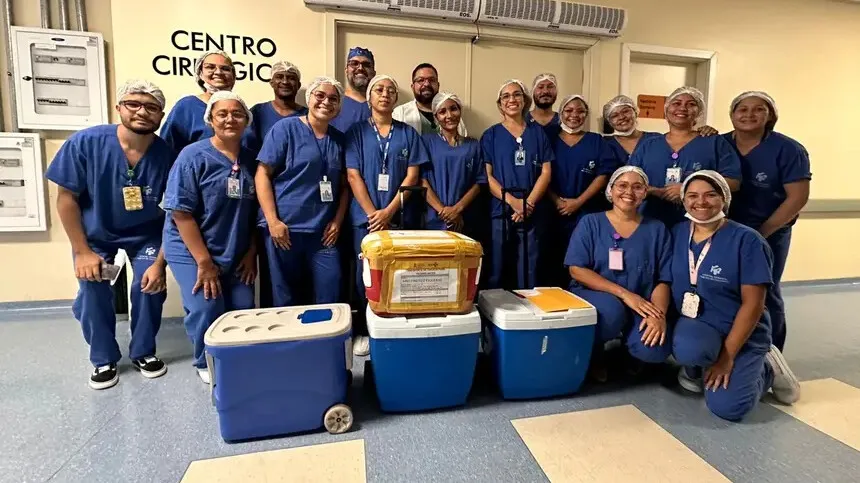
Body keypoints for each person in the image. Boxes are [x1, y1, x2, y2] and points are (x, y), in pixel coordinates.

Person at [45, 80, 173, 390]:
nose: (142, 111)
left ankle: (143, 351)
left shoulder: (167, 155)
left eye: (151, 107)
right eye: (133, 104)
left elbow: (174, 211)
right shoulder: (86, 143)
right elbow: (66, 199)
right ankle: (103, 358)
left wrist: (160, 262)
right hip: (96, 234)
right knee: (93, 288)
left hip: (146, 234)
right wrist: (82, 251)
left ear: (161, 115)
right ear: (119, 108)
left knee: (149, 284)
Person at [670, 170, 800, 421]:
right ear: (684, 200)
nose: (701, 202)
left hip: (741, 329)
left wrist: (727, 358)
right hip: (699, 323)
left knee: (729, 408)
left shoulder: (748, 241)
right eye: (692, 195)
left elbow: (754, 304)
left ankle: (767, 367)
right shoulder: (677, 234)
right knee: (689, 348)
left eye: (710, 195)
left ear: (724, 199)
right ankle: (697, 367)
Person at [162, 91, 258, 384]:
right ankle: (206, 360)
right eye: (222, 114)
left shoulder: (251, 160)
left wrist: (250, 253)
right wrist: (204, 262)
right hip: (189, 247)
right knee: (207, 305)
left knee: (243, 307)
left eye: (237, 114)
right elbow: (181, 213)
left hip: (233, 244)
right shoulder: (192, 156)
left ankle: (235, 356)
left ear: (246, 121)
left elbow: (256, 214)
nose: (230, 119)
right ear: (210, 120)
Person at [345, 74, 430, 355]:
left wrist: (389, 211)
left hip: (399, 217)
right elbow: (353, 175)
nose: (385, 94)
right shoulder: (356, 132)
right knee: (366, 276)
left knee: (398, 275)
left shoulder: (408, 134)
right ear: (369, 97)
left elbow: (412, 176)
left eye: (390, 91)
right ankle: (364, 330)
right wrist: (374, 215)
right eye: (379, 90)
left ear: (396, 98)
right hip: (366, 220)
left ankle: (394, 327)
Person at [566, 167, 673, 381]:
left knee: (654, 348)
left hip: (640, 302)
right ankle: (594, 352)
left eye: (637, 187)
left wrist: (658, 315)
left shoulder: (657, 229)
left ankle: (629, 352)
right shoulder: (591, 223)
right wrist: (624, 294)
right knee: (612, 312)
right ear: (610, 190)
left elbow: (664, 279)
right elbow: (576, 269)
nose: (629, 192)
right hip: (596, 297)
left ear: (645, 193)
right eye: (622, 186)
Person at [725, 91, 811, 352]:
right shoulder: (719, 143)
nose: (749, 114)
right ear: (732, 114)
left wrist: (761, 233)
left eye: (758, 109)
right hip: (724, 232)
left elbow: (797, 198)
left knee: (765, 291)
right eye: (742, 109)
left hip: (770, 231)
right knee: (725, 289)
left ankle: (772, 355)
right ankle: (733, 350)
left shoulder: (788, 150)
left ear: (770, 116)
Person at [255, 77, 349, 306]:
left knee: (331, 291)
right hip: (286, 229)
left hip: (323, 233)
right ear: (309, 99)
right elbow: (262, 174)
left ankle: (325, 331)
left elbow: (345, 186)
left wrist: (337, 222)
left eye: (333, 99)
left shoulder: (339, 140)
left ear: (339, 106)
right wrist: (272, 221)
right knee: (285, 296)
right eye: (320, 96)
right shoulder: (285, 129)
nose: (326, 102)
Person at [628, 87, 741, 227]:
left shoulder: (714, 143)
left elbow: (734, 182)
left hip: (700, 224)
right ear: (666, 110)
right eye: (676, 103)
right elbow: (629, 179)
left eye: (691, 104)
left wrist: (687, 189)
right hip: (650, 221)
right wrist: (652, 190)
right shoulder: (648, 145)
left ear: (699, 112)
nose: (682, 108)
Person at [482, 80, 553, 290]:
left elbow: (546, 172)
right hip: (501, 209)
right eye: (506, 96)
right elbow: (487, 176)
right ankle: (495, 307)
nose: (511, 99)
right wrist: (514, 202)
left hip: (531, 210)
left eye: (516, 94)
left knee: (530, 267)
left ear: (525, 100)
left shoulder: (538, 133)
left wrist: (528, 204)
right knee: (497, 266)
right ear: (500, 104)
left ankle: (528, 306)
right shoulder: (491, 135)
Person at [546, 94, 618, 286]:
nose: (574, 115)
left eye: (580, 111)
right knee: (552, 262)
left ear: (586, 115)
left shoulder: (596, 141)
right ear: (560, 113)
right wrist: (556, 201)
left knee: (583, 259)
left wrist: (578, 202)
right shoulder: (549, 140)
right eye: (569, 110)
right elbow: (541, 174)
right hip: (553, 211)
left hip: (586, 211)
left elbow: (603, 174)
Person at [421, 92, 486, 234]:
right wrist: (444, 212)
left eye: (453, 109)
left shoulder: (473, 145)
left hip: (464, 218)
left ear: (460, 111)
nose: (449, 115)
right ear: (436, 117)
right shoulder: (427, 142)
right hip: (435, 218)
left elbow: (479, 182)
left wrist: (457, 209)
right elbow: (422, 180)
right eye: (442, 112)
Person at [603, 95, 719, 164]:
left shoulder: (655, 139)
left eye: (626, 111)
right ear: (609, 121)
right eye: (614, 116)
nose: (622, 117)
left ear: (635, 112)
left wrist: (705, 131)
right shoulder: (604, 143)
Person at [160, 51, 235, 155]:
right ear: (200, 74)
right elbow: (166, 150)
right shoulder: (186, 107)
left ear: (233, 75)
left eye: (225, 69)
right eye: (210, 67)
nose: (218, 72)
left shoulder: (241, 110)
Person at [244, 61, 308, 155]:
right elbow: (247, 147)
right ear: (271, 83)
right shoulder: (258, 112)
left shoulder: (309, 115)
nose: (285, 82)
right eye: (279, 77)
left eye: (291, 78)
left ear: (298, 85)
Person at [393, 63, 467, 137]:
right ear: (413, 87)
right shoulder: (400, 113)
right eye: (421, 80)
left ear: (438, 85)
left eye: (432, 80)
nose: (427, 84)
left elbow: (461, 140)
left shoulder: (452, 113)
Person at [331, 47, 375, 134]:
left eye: (366, 64)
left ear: (373, 72)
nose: (360, 68)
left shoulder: (381, 103)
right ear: (346, 70)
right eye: (354, 63)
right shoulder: (333, 101)